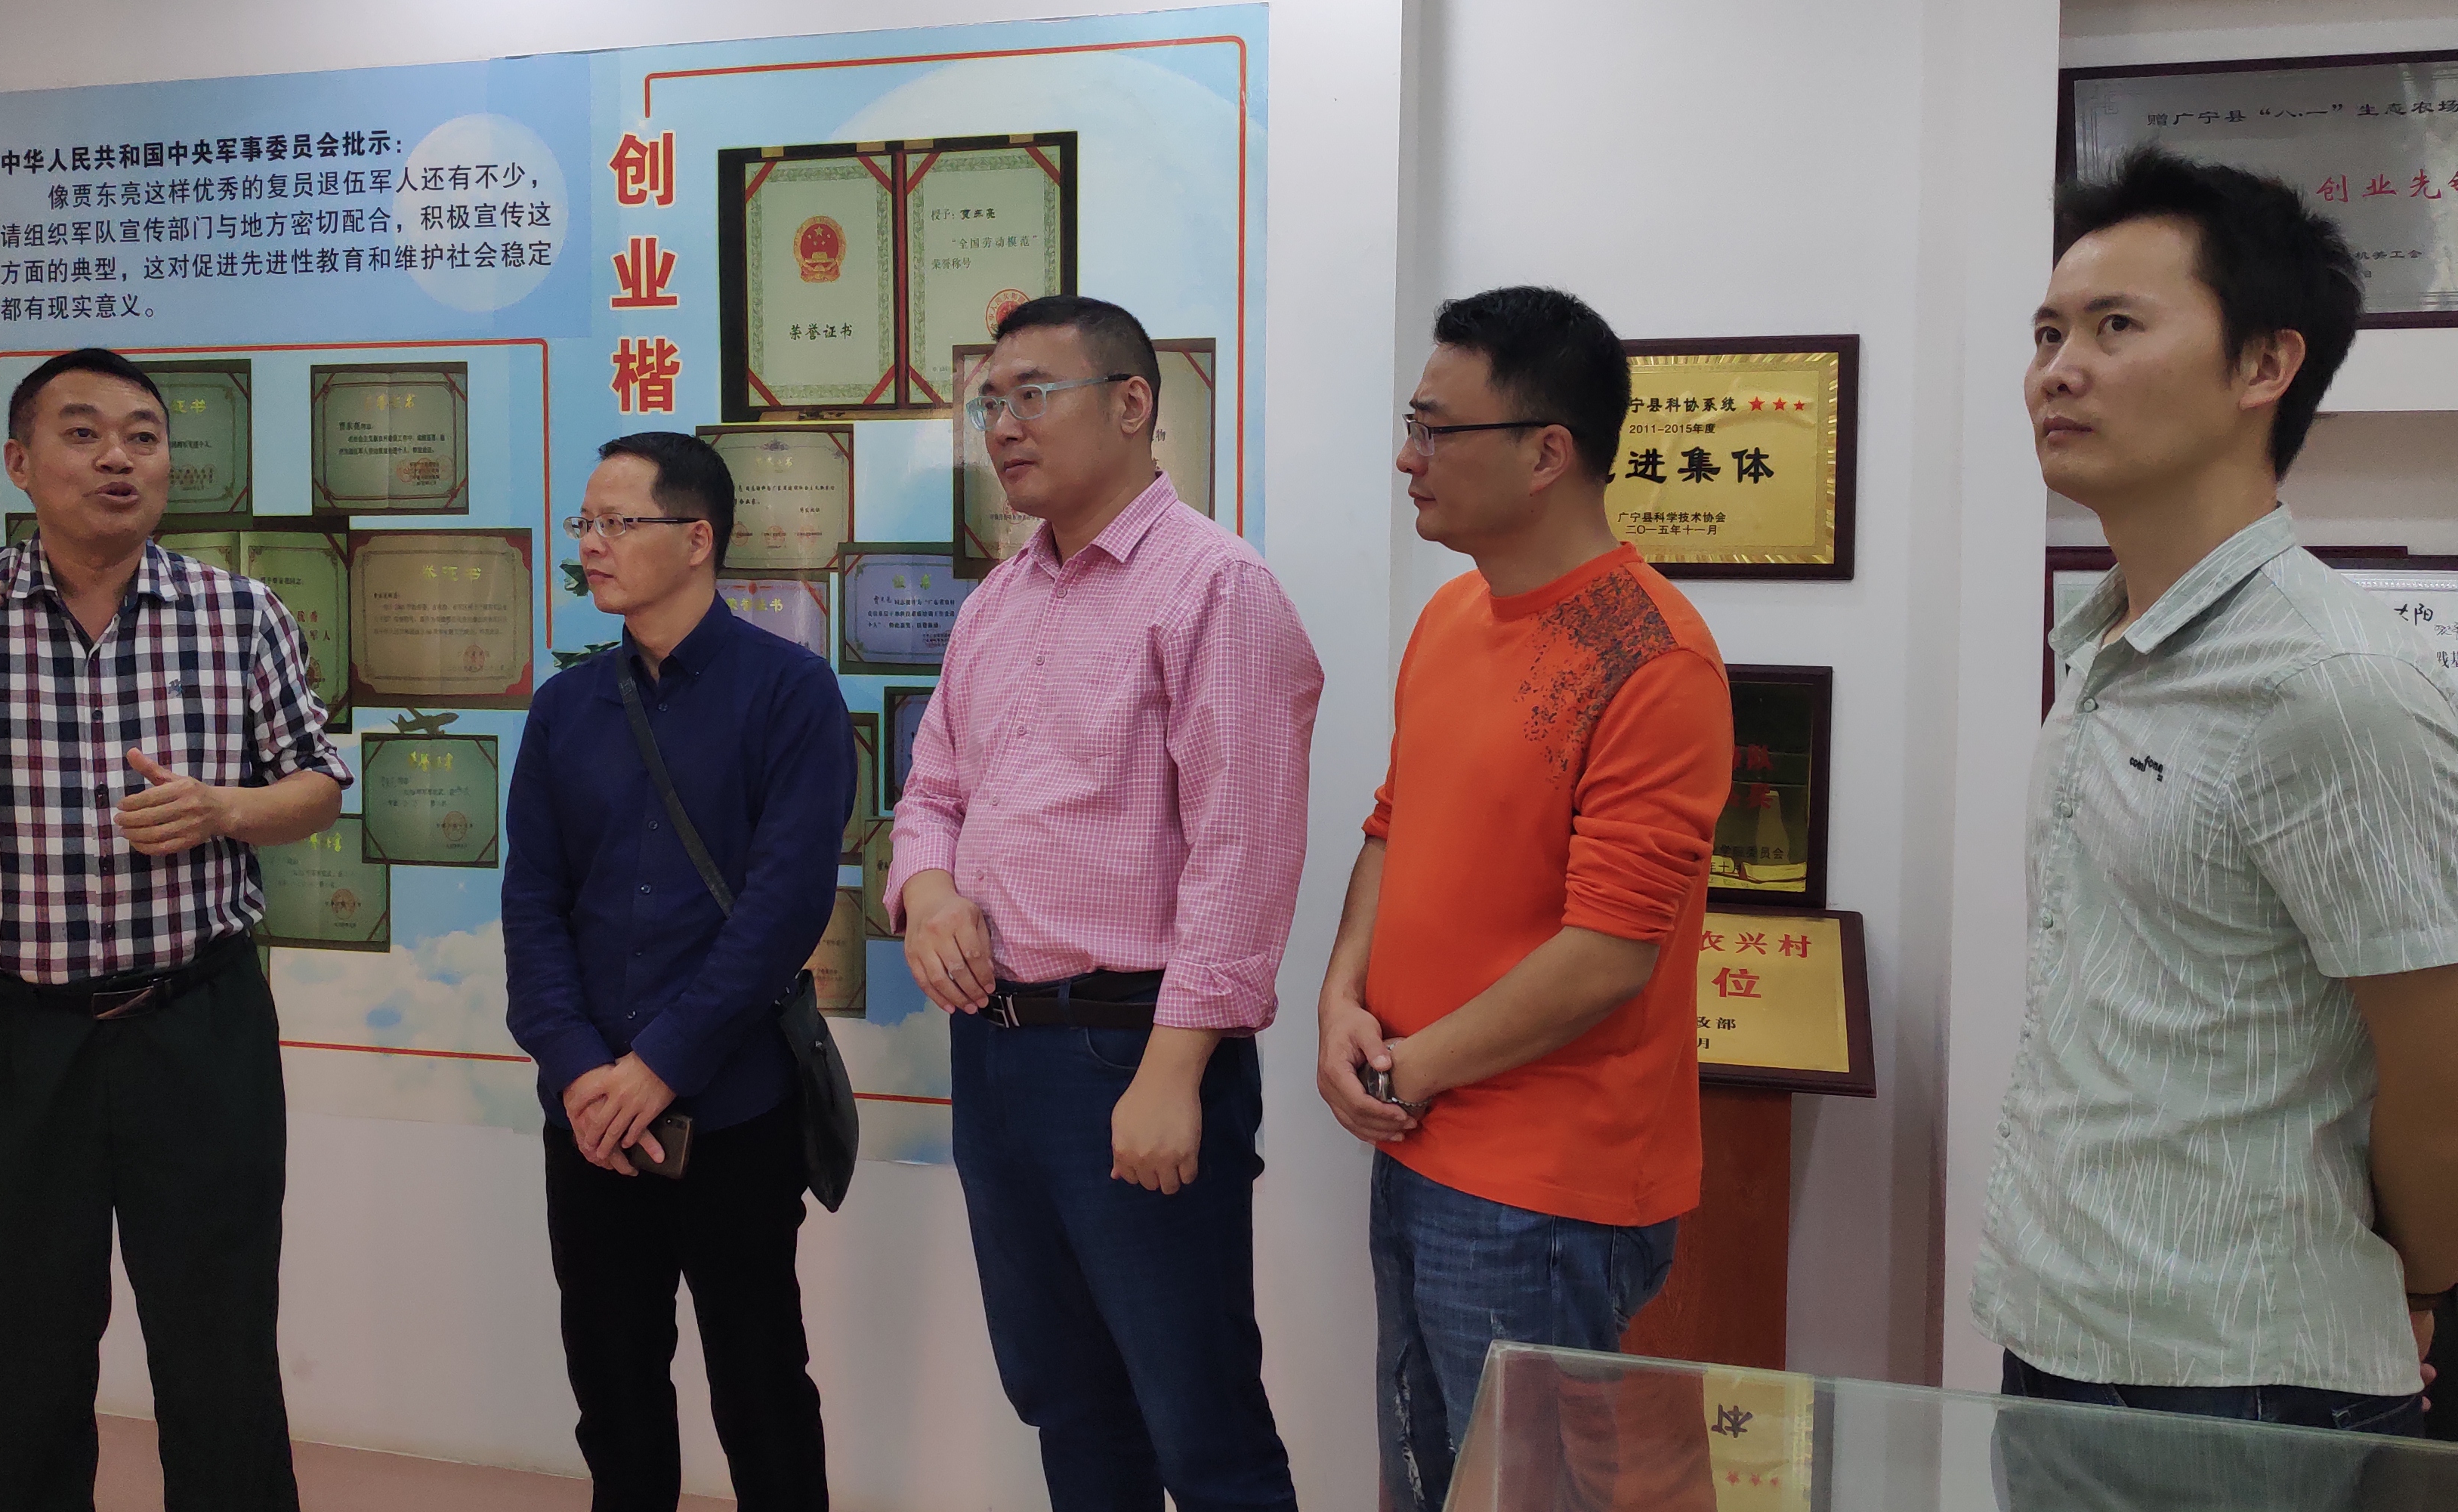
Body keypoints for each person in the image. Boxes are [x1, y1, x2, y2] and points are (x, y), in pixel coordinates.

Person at [1975, 147, 2458, 1433]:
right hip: (2060, 1331)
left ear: (2265, 365)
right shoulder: (2108, 643)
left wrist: (2407, 1288)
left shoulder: (2332, 686)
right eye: (2050, 332)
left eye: (2116, 327)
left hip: (2248, 1380)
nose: (2058, 368)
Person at [0, 347, 350, 1512]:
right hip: (16, 1044)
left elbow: (314, 785)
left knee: (221, 1347)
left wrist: (223, 809)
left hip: (199, 1027)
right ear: (20, 462)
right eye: (84, 432)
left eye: (144, 436)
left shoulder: (235, 611)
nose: (119, 459)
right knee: (24, 1356)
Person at [888, 294, 1323, 1512]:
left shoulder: (1215, 588)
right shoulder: (1000, 600)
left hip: (1132, 1052)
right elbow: (932, 792)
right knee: (1067, 1402)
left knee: (1201, 1425)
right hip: (999, 1056)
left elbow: (1244, 855)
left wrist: (1175, 1076)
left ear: (1133, 405)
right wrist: (930, 889)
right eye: (989, 402)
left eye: (1034, 394)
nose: (1003, 426)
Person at [1314, 285, 1731, 1512]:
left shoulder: (1652, 657)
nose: (1409, 457)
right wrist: (1342, 998)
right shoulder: (1453, 614)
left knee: (1528, 1494)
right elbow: (1393, 824)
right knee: (1425, 1474)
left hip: (1542, 1191)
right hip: (1418, 1134)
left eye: (1437, 430)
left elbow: (1610, 953)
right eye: (1412, 424)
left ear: (1548, 453)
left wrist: (1411, 1068)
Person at [503, 431, 845, 1512]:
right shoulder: (566, 708)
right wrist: (579, 1069)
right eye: (586, 523)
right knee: (613, 1394)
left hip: (734, 1110)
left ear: (698, 540)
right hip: (590, 1120)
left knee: (760, 1386)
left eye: (618, 523)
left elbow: (783, 914)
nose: (591, 546)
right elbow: (533, 905)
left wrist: (658, 1066)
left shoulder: (791, 694)